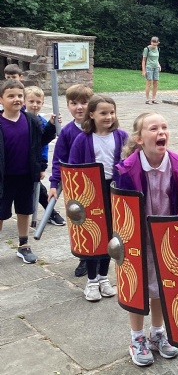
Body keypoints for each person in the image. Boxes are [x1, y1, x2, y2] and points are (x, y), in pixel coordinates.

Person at [116, 112, 178, 366]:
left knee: (161, 286)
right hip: (138, 238)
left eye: (164, 127)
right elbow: (120, 210)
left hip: (167, 238)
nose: (161, 132)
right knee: (138, 286)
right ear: (139, 139)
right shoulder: (127, 170)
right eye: (153, 128)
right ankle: (136, 337)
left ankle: (157, 333)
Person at [68, 95, 128, 301]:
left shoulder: (121, 136)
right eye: (103, 113)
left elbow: (129, 162)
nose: (109, 117)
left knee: (112, 235)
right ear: (92, 114)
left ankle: (104, 277)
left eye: (112, 112)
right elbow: (74, 169)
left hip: (114, 190)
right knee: (94, 235)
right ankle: (91, 280)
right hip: (91, 193)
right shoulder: (82, 139)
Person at [0, 80, 56, 264]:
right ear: (1, 99)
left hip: (26, 176)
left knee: (24, 210)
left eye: (19, 96)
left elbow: (40, 141)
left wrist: (51, 126)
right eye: (11, 96)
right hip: (4, 178)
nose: (16, 99)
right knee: (1, 212)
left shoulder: (31, 120)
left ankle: (23, 245)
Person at [48, 84, 94, 277]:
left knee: (100, 220)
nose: (79, 107)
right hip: (76, 186)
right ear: (68, 106)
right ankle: (85, 257)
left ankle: (100, 256)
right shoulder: (67, 132)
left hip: (98, 184)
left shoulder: (99, 128)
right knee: (80, 221)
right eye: (74, 103)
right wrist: (54, 184)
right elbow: (58, 159)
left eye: (84, 102)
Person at [24, 86, 65, 227]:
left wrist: (42, 166)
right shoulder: (19, 119)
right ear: (24, 102)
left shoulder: (41, 122)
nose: (35, 105)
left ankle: (50, 213)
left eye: (38, 102)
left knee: (39, 190)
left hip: (32, 164)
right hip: (15, 162)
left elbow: (43, 145)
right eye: (31, 101)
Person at [142, 37, 161, 104]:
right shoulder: (146, 49)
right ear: (151, 42)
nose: (154, 46)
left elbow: (156, 59)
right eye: (153, 44)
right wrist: (143, 70)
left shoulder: (158, 49)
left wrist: (159, 65)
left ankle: (153, 98)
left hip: (156, 67)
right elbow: (144, 60)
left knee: (156, 82)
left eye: (155, 44)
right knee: (149, 82)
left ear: (158, 43)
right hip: (149, 67)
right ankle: (147, 99)